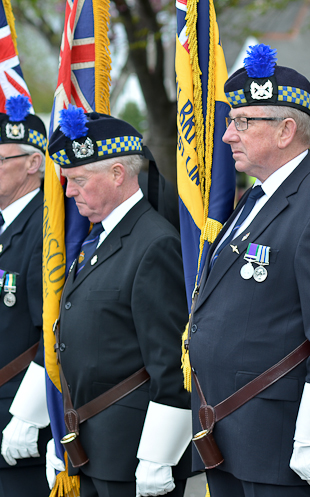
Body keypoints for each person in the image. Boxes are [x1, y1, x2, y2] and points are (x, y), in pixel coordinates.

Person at [185, 43, 310, 496]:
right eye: (230, 122)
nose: (228, 136)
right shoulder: (255, 199)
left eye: (242, 122)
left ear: (285, 130)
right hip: (227, 432)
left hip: (280, 447)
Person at [46, 110, 192, 497]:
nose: (69, 191)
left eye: (78, 180)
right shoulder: (98, 239)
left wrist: (159, 456)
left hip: (132, 454)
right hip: (91, 444)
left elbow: (171, 364)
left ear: (117, 174)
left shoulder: (154, 243)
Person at [0, 95, 52, 496]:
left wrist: (29, 415)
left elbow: (52, 332)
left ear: (33, 163)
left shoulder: (45, 231)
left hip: (19, 429)